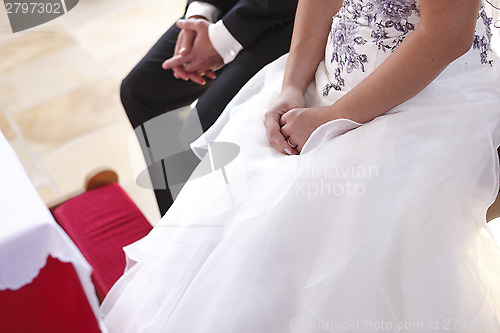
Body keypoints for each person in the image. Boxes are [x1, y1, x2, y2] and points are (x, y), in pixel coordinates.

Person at [101, 0, 500, 332]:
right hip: (327, 73)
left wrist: (337, 117)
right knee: (235, 210)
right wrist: (292, 85)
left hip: (424, 98)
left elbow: (447, 34)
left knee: (321, 226)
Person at [121, 0, 298, 215]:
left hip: (292, 18)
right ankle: (175, 223)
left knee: (201, 131)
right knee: (140, 91)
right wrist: (198, 14)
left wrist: (222, 40)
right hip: (229, 4)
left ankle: (210, 226)